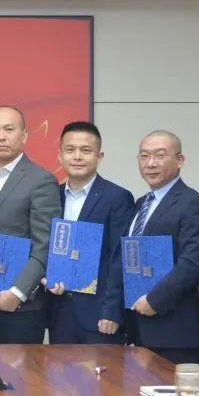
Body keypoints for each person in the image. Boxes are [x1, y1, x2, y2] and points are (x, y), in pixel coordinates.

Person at [102, 130, 199, 365]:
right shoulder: (141, 203)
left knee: (175, 391)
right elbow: (125, 257)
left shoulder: (192, 202)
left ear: (180, 160)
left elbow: (193, 261)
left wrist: (155, 300)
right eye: (144, 156)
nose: (150, 163)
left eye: (160, 155)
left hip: (175, 330)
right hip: (139, 327)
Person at [0, 106, 60, 344]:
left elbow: (44, 245)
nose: (1, 136)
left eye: (9, 129)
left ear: (24, 135)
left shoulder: (41, 180)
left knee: (21, 369)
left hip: (21, 307)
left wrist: (18, 292)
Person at [44, 121, 134, 344]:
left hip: (99, 315)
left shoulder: (117, 197)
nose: (77, 157)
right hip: (59, 310)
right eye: (70, 150)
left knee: (102, 368)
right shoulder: (51, 196)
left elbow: (119, 258)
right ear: (59, 155)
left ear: (99, 156)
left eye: (86, 150)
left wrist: (112, 310)